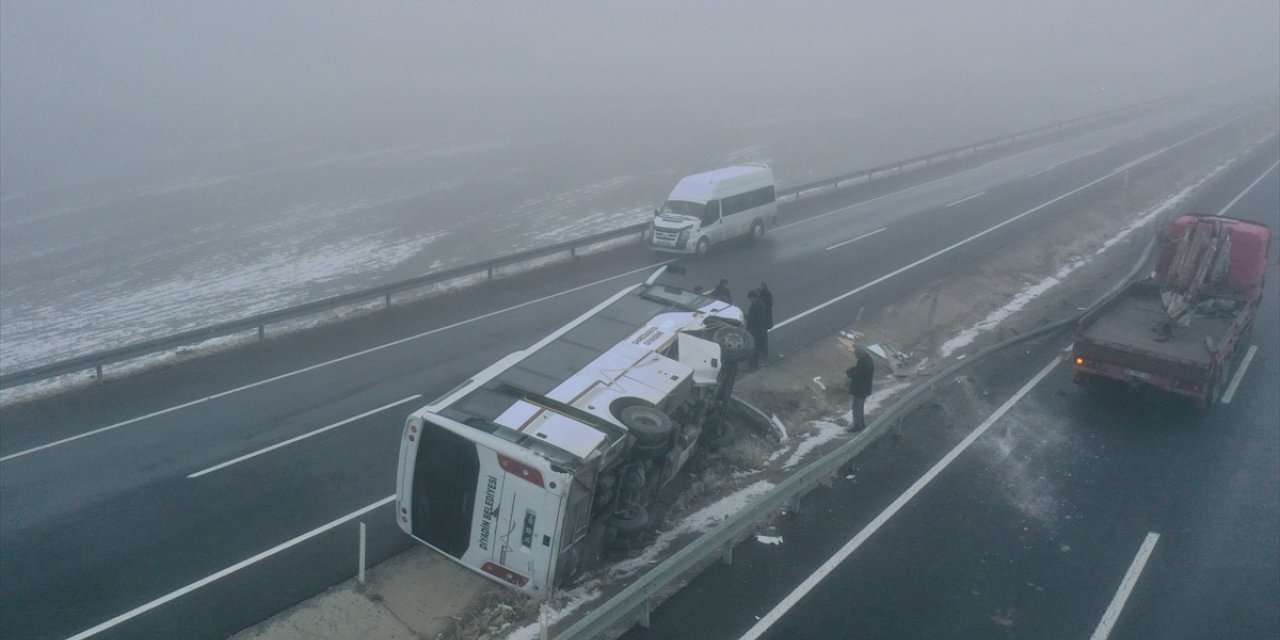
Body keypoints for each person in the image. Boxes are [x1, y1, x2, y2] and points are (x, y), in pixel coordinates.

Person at [845, 344, 874, 431]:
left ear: (860, 354)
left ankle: (858, 426)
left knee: (857, 407)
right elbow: (860, 369)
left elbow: (859, 375)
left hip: (861, 389)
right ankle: (861, 424)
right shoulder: (867, 360)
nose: (855, 356)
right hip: (865, 388)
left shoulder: (863, 362)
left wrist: (849, 373)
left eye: (856, 354)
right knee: (859, 406)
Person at [746, 290, 769, 369]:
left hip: (755, 330)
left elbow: (751, 319)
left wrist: (748, 329)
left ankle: (753, 365)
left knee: (753, 347)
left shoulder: (754, 306)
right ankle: (762, 355)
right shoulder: (762, 303)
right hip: (762, 328)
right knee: (758, 346)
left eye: (750, 298)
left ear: (752, 297)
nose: (750, 300)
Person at [755, 282, 773, 356]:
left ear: (763, 286)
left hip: (764, 319)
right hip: (764, 318)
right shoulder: (762, 294)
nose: (757, 287)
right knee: (762, 335)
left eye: (759, 286)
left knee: (763, 336)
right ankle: (762, 351)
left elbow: (767, 306)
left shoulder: (765, 295)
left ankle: (764, 352)